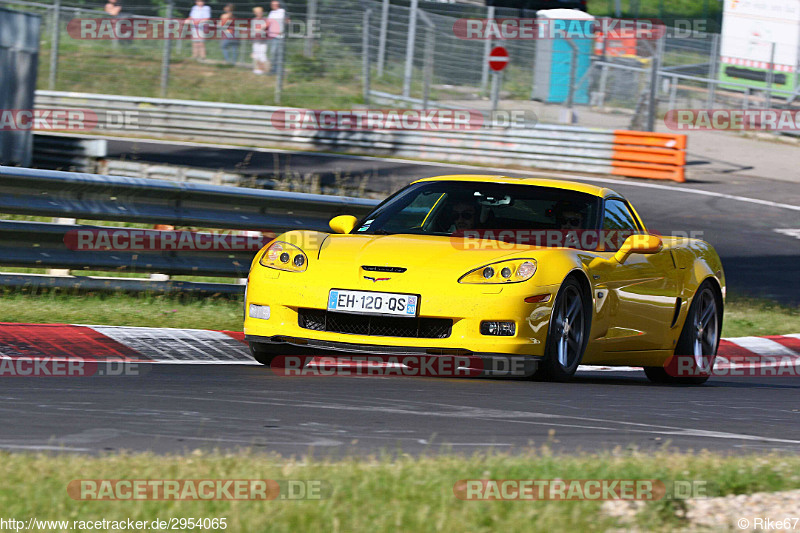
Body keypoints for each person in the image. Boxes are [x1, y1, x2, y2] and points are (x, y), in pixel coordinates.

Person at [266, 0, 287, 74]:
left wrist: (283, 26)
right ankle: (274, 70)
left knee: (279, 53)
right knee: (273, 53)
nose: (272, 5)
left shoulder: (282, 11)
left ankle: (279, 70)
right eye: (272, 4)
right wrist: (260, 28)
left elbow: (287, 21)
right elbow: (267, 23)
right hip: (272, 36)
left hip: (280, 36)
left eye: (274, 4)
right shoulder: (271, 13)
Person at [251, 6, 269, 74]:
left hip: (263, 41)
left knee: (262, 55)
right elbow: (255, 30)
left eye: (260, 12)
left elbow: (264, 28)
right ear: (255, 13)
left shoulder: (265, 20)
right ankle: (258, 69)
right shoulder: (254, 20)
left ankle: (265, 69)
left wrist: (260, 28)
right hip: (255, 40)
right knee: (256, 56)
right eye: (257, 12)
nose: (259, 13)